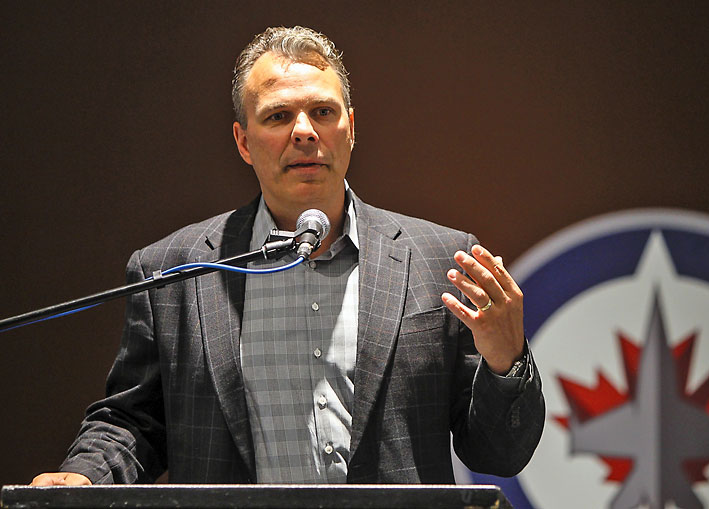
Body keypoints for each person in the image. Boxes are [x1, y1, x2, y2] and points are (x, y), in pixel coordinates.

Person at [31, 26, 544, 486]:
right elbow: (135, 423)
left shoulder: (439, 260)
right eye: (278, 116)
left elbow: (499, 454)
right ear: (243, 142)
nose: (304, 131)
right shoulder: (174, 271)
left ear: (350, 127)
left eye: (323, 112)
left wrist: (506, 362)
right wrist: (84, 476)